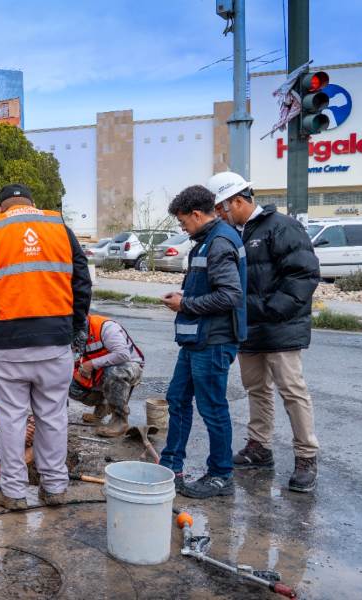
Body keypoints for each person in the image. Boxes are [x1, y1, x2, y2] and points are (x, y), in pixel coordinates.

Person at [0, 183, 92, 509]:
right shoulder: (60, 229)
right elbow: (82, 283)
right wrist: (75, 328)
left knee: (12, 418)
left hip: (6, 346)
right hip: (54, 345)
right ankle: (55, 488)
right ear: (33, 203)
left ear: (1, 206)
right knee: (53, 417)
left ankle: (14, 492)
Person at [206, 171, 321, 493]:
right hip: (248, 329)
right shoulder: (233, 233)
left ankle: (306, 456)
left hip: (279, 327)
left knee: (292, 391)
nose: (218, 215)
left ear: (238, 201)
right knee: (256, 388)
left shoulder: (281, 227)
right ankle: (259, 446)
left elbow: (303, 276)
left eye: (221, 208)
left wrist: (269, 311)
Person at [158, 184, 247, 499]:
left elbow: (230, 295)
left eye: (183, 222)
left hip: (214, 341)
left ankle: (221, 475)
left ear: (196, 214)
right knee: (177, 398)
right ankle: (171, 466)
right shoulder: (207, 241)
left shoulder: (219, 242)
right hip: (198, 339)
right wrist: (187, 296)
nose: (183, 228)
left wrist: (186, 305)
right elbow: (212, 288)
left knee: (212, 408)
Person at [69, 313, 145, 438]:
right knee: (70, 385)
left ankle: (120, 420)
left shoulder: (106, 327)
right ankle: (103, 405)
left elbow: (122, 355)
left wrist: (91, 364)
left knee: (114, 373)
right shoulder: (69, 333)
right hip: (99, 370)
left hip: (129, 366)